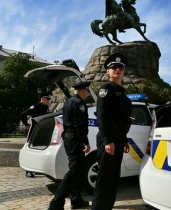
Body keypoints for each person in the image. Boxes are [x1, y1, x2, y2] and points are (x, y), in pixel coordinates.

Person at [92, 53, 132, 210]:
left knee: (114, 178)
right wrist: (108, 140)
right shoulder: (106, 90)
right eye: (114, 67)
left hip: (118, 139)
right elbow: (102, 116)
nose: (118, 69)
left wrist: (125, 139)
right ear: (107, 72)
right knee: (104, 179)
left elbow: (122, 119)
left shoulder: (121, 92)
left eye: (121, 67)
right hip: (108, 140)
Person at [48, 81, 91, 210]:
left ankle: (76, 199)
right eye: (87, 91)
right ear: (83, 91)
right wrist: (85, 142)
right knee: (74, 171)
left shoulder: (69, 102)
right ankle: (56, 202)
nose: (88, 94)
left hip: (69, 139)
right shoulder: (79, 104)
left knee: (78, 170)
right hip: (75, 140)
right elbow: (79, 125)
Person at [20, 94, 51, 177]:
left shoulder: (45, 107)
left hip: (42, 130)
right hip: (35, 129)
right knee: (30, 148)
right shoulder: (36, 106)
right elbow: (23, 114)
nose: (48, 101)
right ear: (42, 99)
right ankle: (28, 170)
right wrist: (26, 124)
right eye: (47, 99)